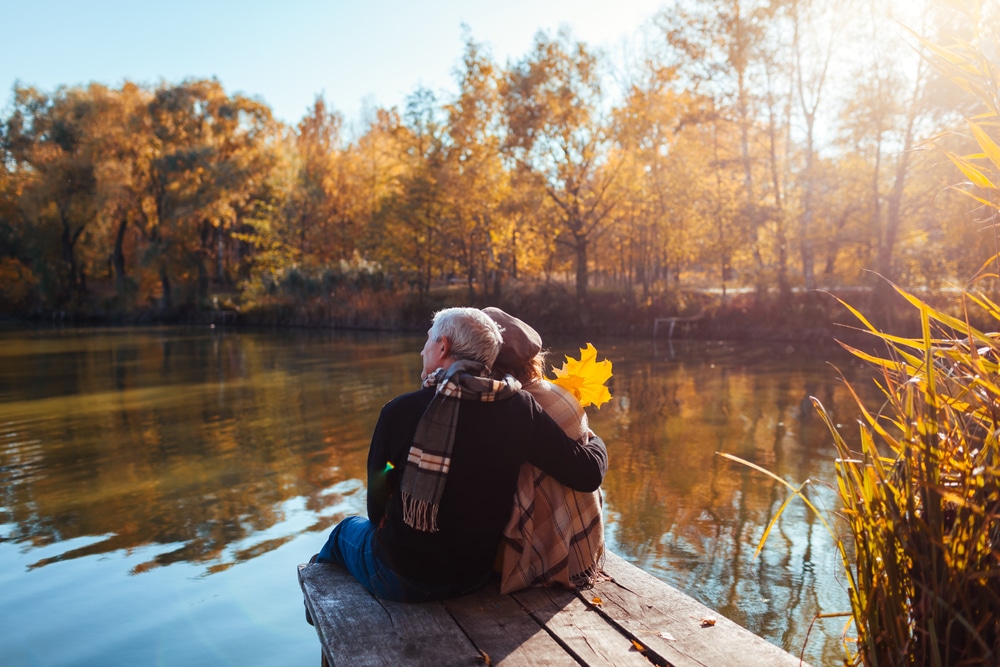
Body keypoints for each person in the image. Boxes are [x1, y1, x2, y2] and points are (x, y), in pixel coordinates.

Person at [312, 307, 608, 602]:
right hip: (474, 576)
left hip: (403, 578)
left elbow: (376, 506)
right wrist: (594, 440)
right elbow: (587, 473)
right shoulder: (520, 408)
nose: (421, 350)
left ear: (443, 347)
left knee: (343, 532)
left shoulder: (399, 413)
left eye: (427, 340)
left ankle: (318, 607)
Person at [483, 307, 605, 594]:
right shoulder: (555, 393)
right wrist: (596, 440)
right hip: (581, 546)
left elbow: (585, 473)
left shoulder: (514, 407)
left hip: (539, 554)